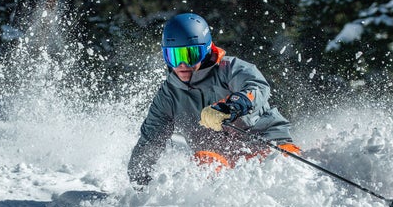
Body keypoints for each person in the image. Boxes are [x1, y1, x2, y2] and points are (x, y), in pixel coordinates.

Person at [128, 12, 300, 187]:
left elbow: (257, 87)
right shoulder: (168, 95)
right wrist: (138, 182)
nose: (182, 65)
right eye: (173, 57)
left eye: (190, 55)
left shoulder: (229, 69)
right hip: (220, 161)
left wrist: (230, 106)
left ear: (206, 50)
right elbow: (150, 141)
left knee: (281, 165)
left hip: (266, 146)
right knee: (203, 164)